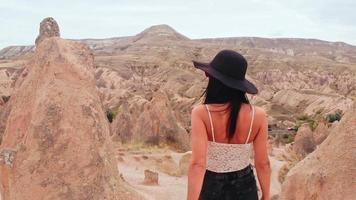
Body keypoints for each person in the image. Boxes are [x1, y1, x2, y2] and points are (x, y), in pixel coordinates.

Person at [187, 50, 271, 200]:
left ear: (213, 79)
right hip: (246, 188)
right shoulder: (258, 116)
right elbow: (263, 163)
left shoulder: (201, 113)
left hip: (211, 187)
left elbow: (197, 164)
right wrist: (266, 194)